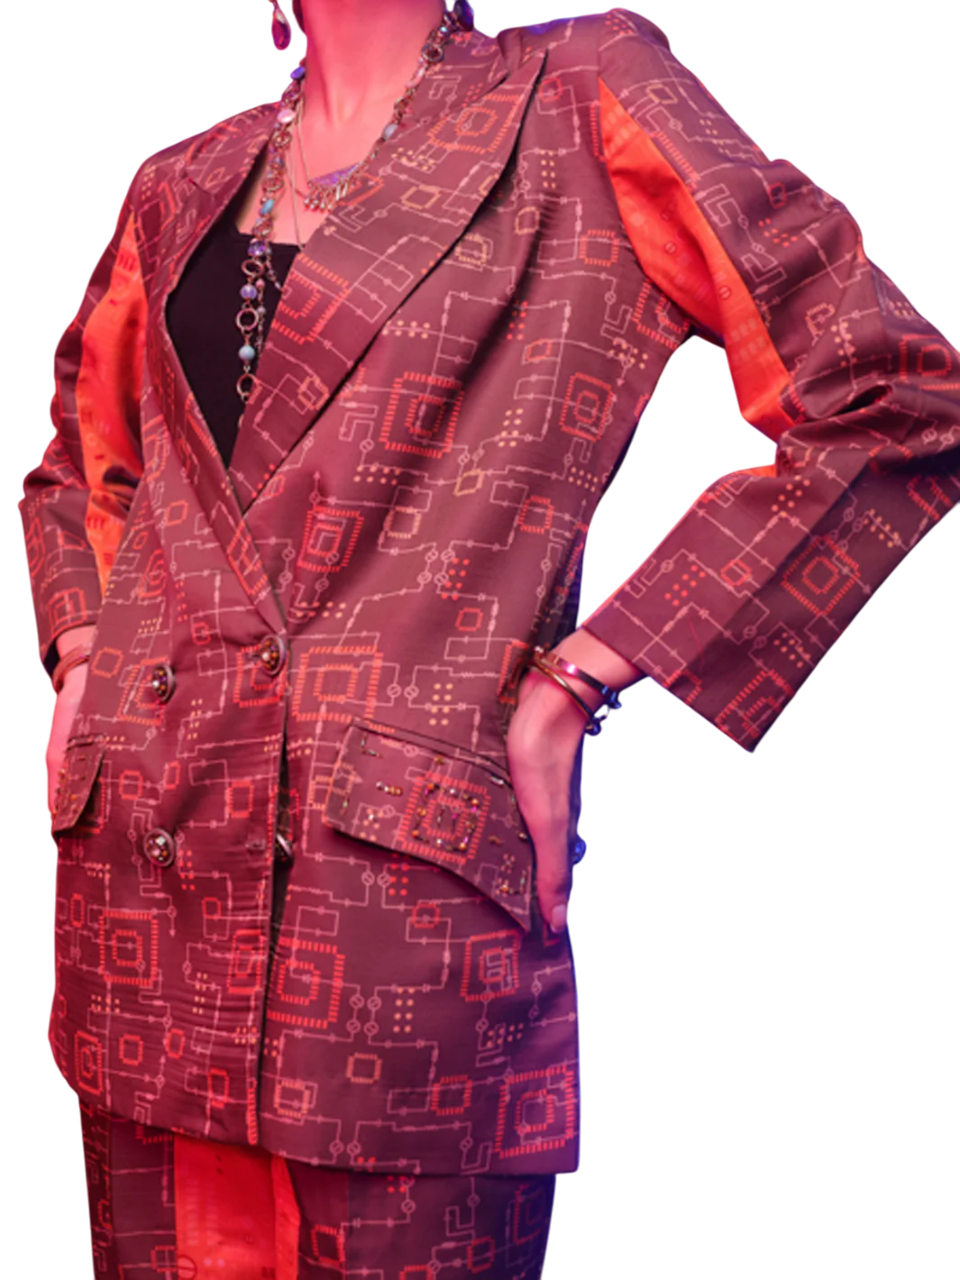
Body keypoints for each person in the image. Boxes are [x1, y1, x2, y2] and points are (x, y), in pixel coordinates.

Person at [20, 2, 958, 1276]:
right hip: (146, 871)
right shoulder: (181, 179)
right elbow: (81, 461)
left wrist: (588, 673)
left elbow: (890, 393)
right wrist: (83, 656)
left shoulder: (577, 96)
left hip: (394, 892)